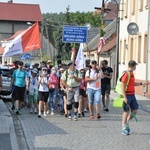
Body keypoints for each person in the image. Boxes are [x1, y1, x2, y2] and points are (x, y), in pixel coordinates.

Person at [121, 60, 149, 135]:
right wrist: (124, 97)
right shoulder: (126, 74)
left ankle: (127, 121)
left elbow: (132, 83)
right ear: (133, 66)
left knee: (135, 110)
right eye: (135, 66)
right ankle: (123, 128)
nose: (136, 67)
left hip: (132, 95)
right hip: (127, 95)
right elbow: (122, 85)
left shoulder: (131, 73)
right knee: (126, 111)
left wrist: (141, 83)